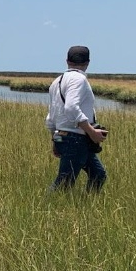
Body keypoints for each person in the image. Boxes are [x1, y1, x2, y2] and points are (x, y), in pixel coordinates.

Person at [45, 45, 108, 192]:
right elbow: (71, 107)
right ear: (88, 62)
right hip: (76, 139)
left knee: (98, 174)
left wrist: (55, 140)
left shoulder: (57, 82)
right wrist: (92, 131)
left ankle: (87, 207)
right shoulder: (79, 79)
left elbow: (51, 116)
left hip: (63, 137)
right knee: (63, 184)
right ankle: (43, 208)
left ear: (67, 61)